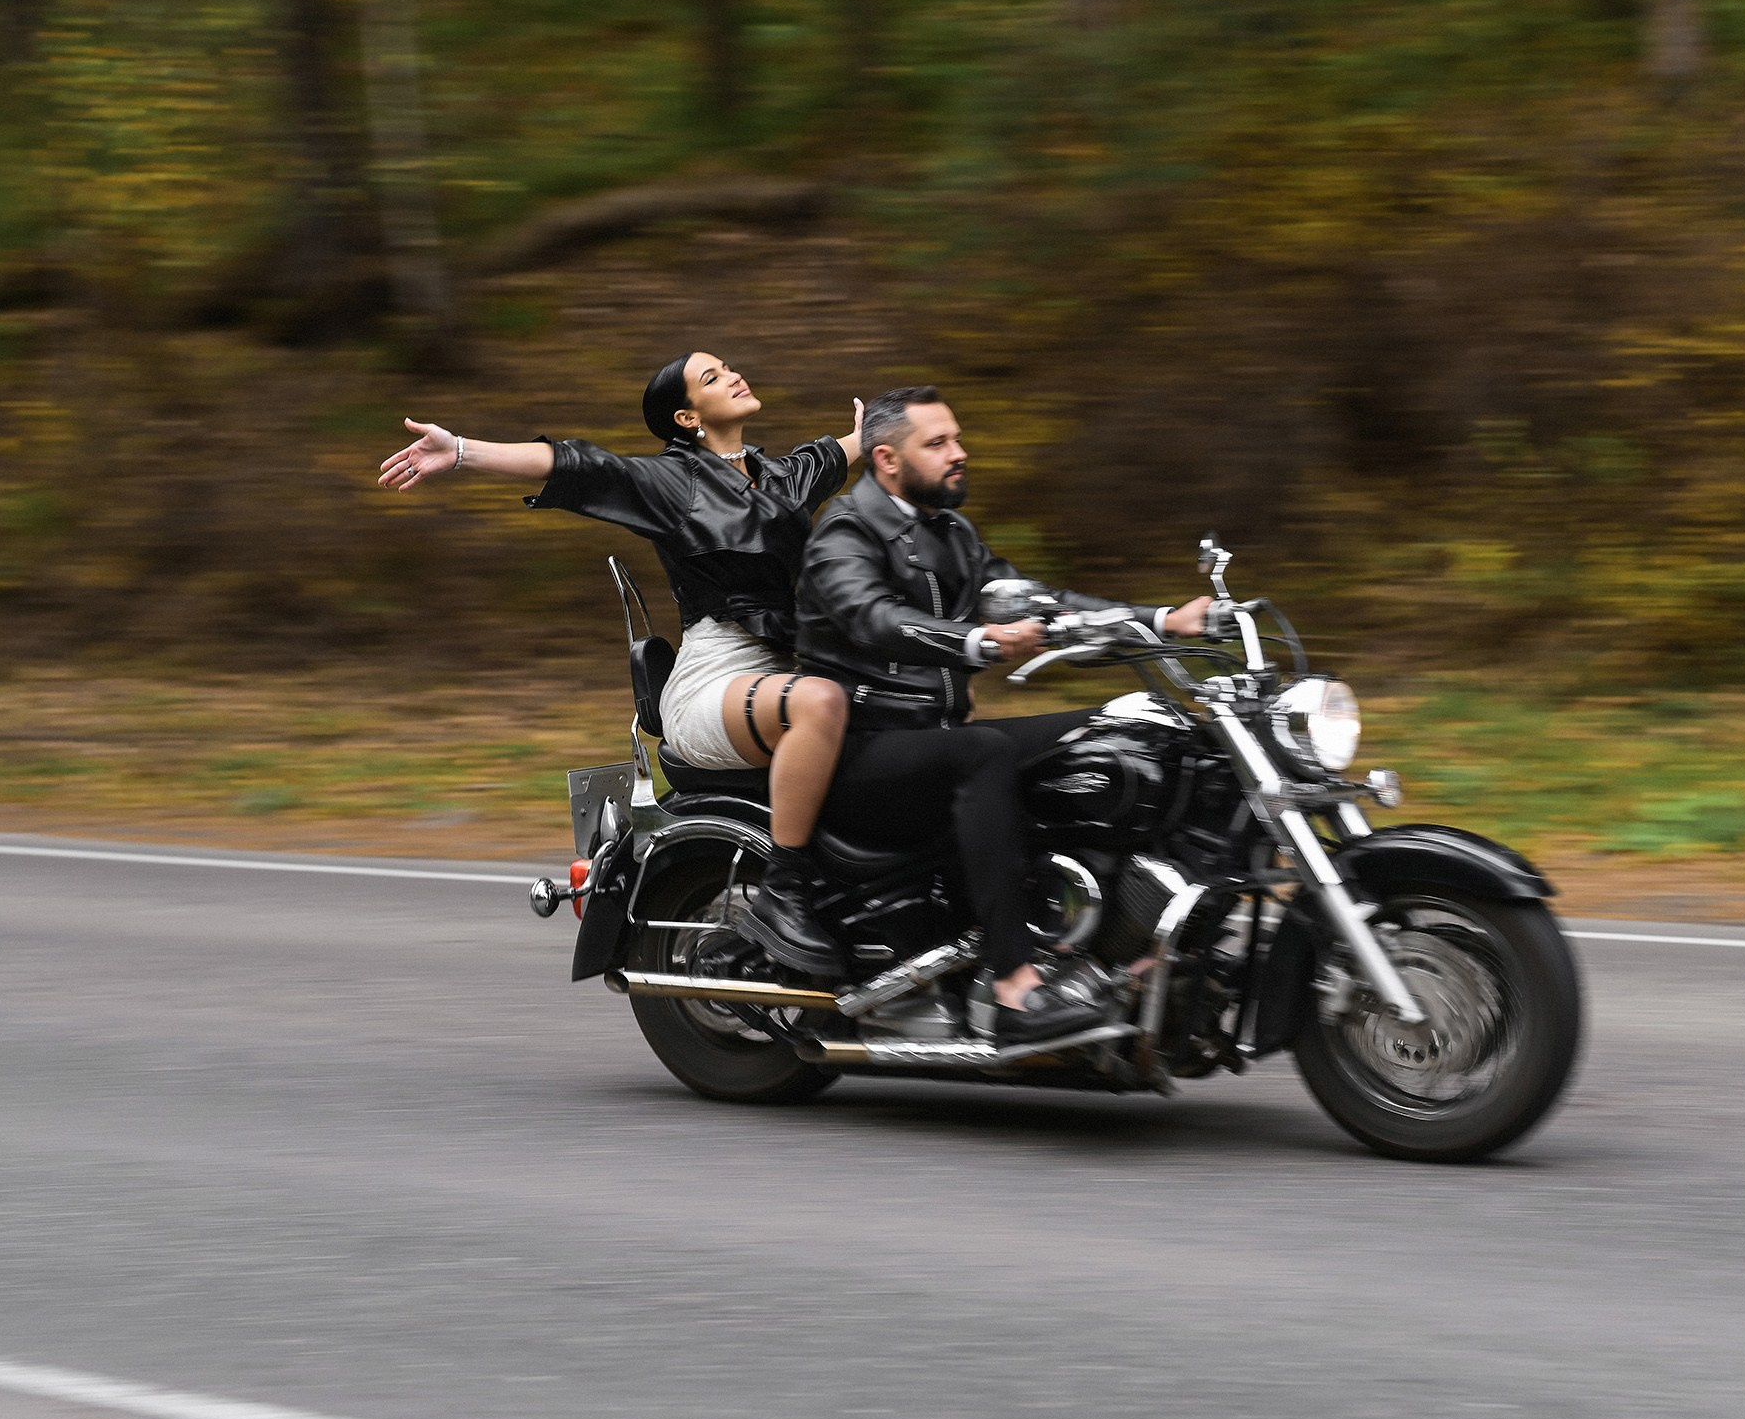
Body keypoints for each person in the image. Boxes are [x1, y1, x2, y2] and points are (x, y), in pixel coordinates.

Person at [377, 353, 860, 976]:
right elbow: (578, 465)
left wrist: (889, 430)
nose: (733, 375)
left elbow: (845, 451)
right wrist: (463, 450)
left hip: (787, 671)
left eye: (727, 367)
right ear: (687, 417)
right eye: (712, 377)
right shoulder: (673, 481)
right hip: (716, 679)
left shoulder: (780, 476)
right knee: (820, 703)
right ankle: (784, 895)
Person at [791, 386, 1212, 1043]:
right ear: (887, 459)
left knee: (1135, 727)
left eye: (957, 438)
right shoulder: (844, 532)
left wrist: (1162, 620)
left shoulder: (952, 534)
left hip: (936, 739)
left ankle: (1142, 951)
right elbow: (874, 618)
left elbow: (1038, 600)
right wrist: (977, 641)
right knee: (982, 751)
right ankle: (1012, 987)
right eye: (938, 443)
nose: (959, 453)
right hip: (862, 752)